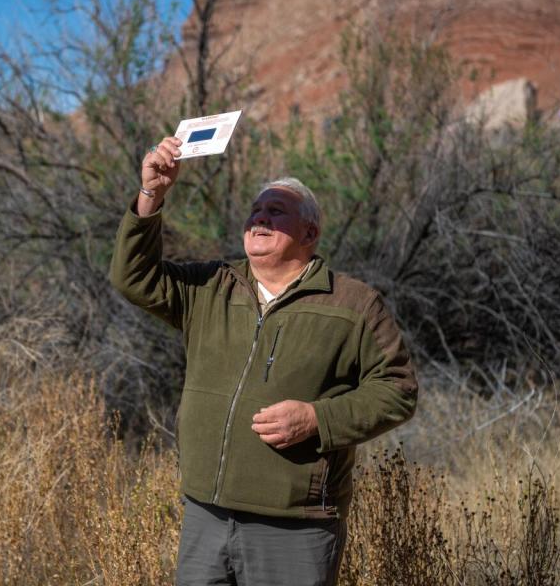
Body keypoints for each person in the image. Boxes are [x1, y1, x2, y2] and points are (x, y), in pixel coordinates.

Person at [109, 136, 418, 586]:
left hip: (294, 525)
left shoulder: (353, 304)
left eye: (276, 211)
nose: (260, 217)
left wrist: (318, 418)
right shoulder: (211, 285)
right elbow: (132, 277)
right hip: (205, 512)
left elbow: (399, 389)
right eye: (256, 210)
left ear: (309, 233)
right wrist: (152, 194)